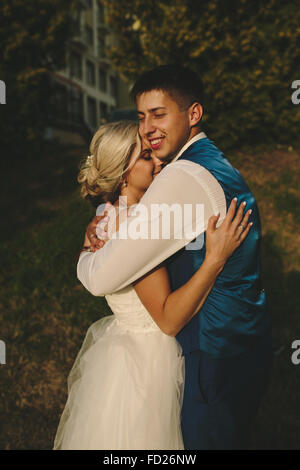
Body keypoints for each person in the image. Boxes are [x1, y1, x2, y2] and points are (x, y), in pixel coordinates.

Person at [79, 65, 273, 450]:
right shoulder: (214, 162)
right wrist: (98, 231)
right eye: (142, 117)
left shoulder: (180, 177)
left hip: (210, 354)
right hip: (236, 345)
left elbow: (99, 278)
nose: (148, 128)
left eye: (159, 114)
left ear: (193, 114)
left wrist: (88, 250)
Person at [53, 120, 252, 450]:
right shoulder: (135, 228)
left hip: (122, 349)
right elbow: (168, 319)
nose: (159, 161)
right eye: (145, 156)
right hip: (149, 362)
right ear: (122, 173)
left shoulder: (106, 216)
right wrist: (216, 258)